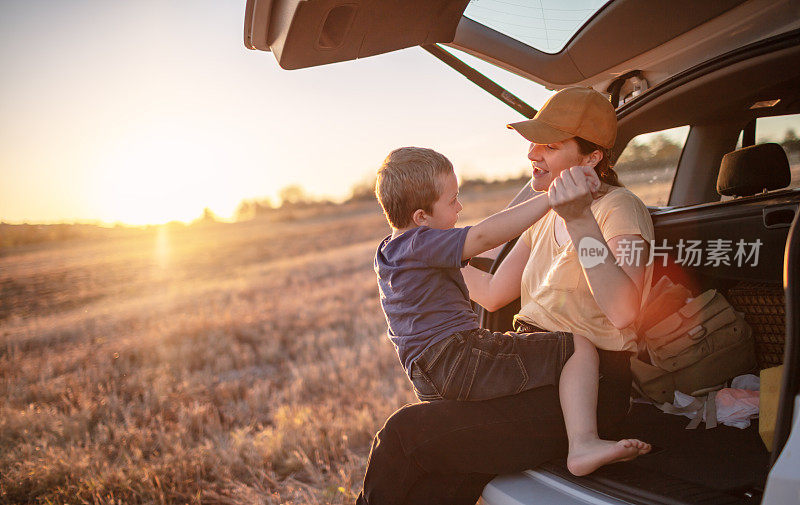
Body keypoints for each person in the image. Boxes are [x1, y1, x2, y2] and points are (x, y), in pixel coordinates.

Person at [357, 87, 655, 504]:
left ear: (591, 158)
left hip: (587, 386)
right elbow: (494, 294)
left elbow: (625, 310)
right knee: (437, 474)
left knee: (405, 435)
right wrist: (418, 270)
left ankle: (584, 442)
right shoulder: (542, 215)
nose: (533, 153)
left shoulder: (618, 208)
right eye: (533, 142)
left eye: (549, 145)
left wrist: (581, 220)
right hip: (528, 367)